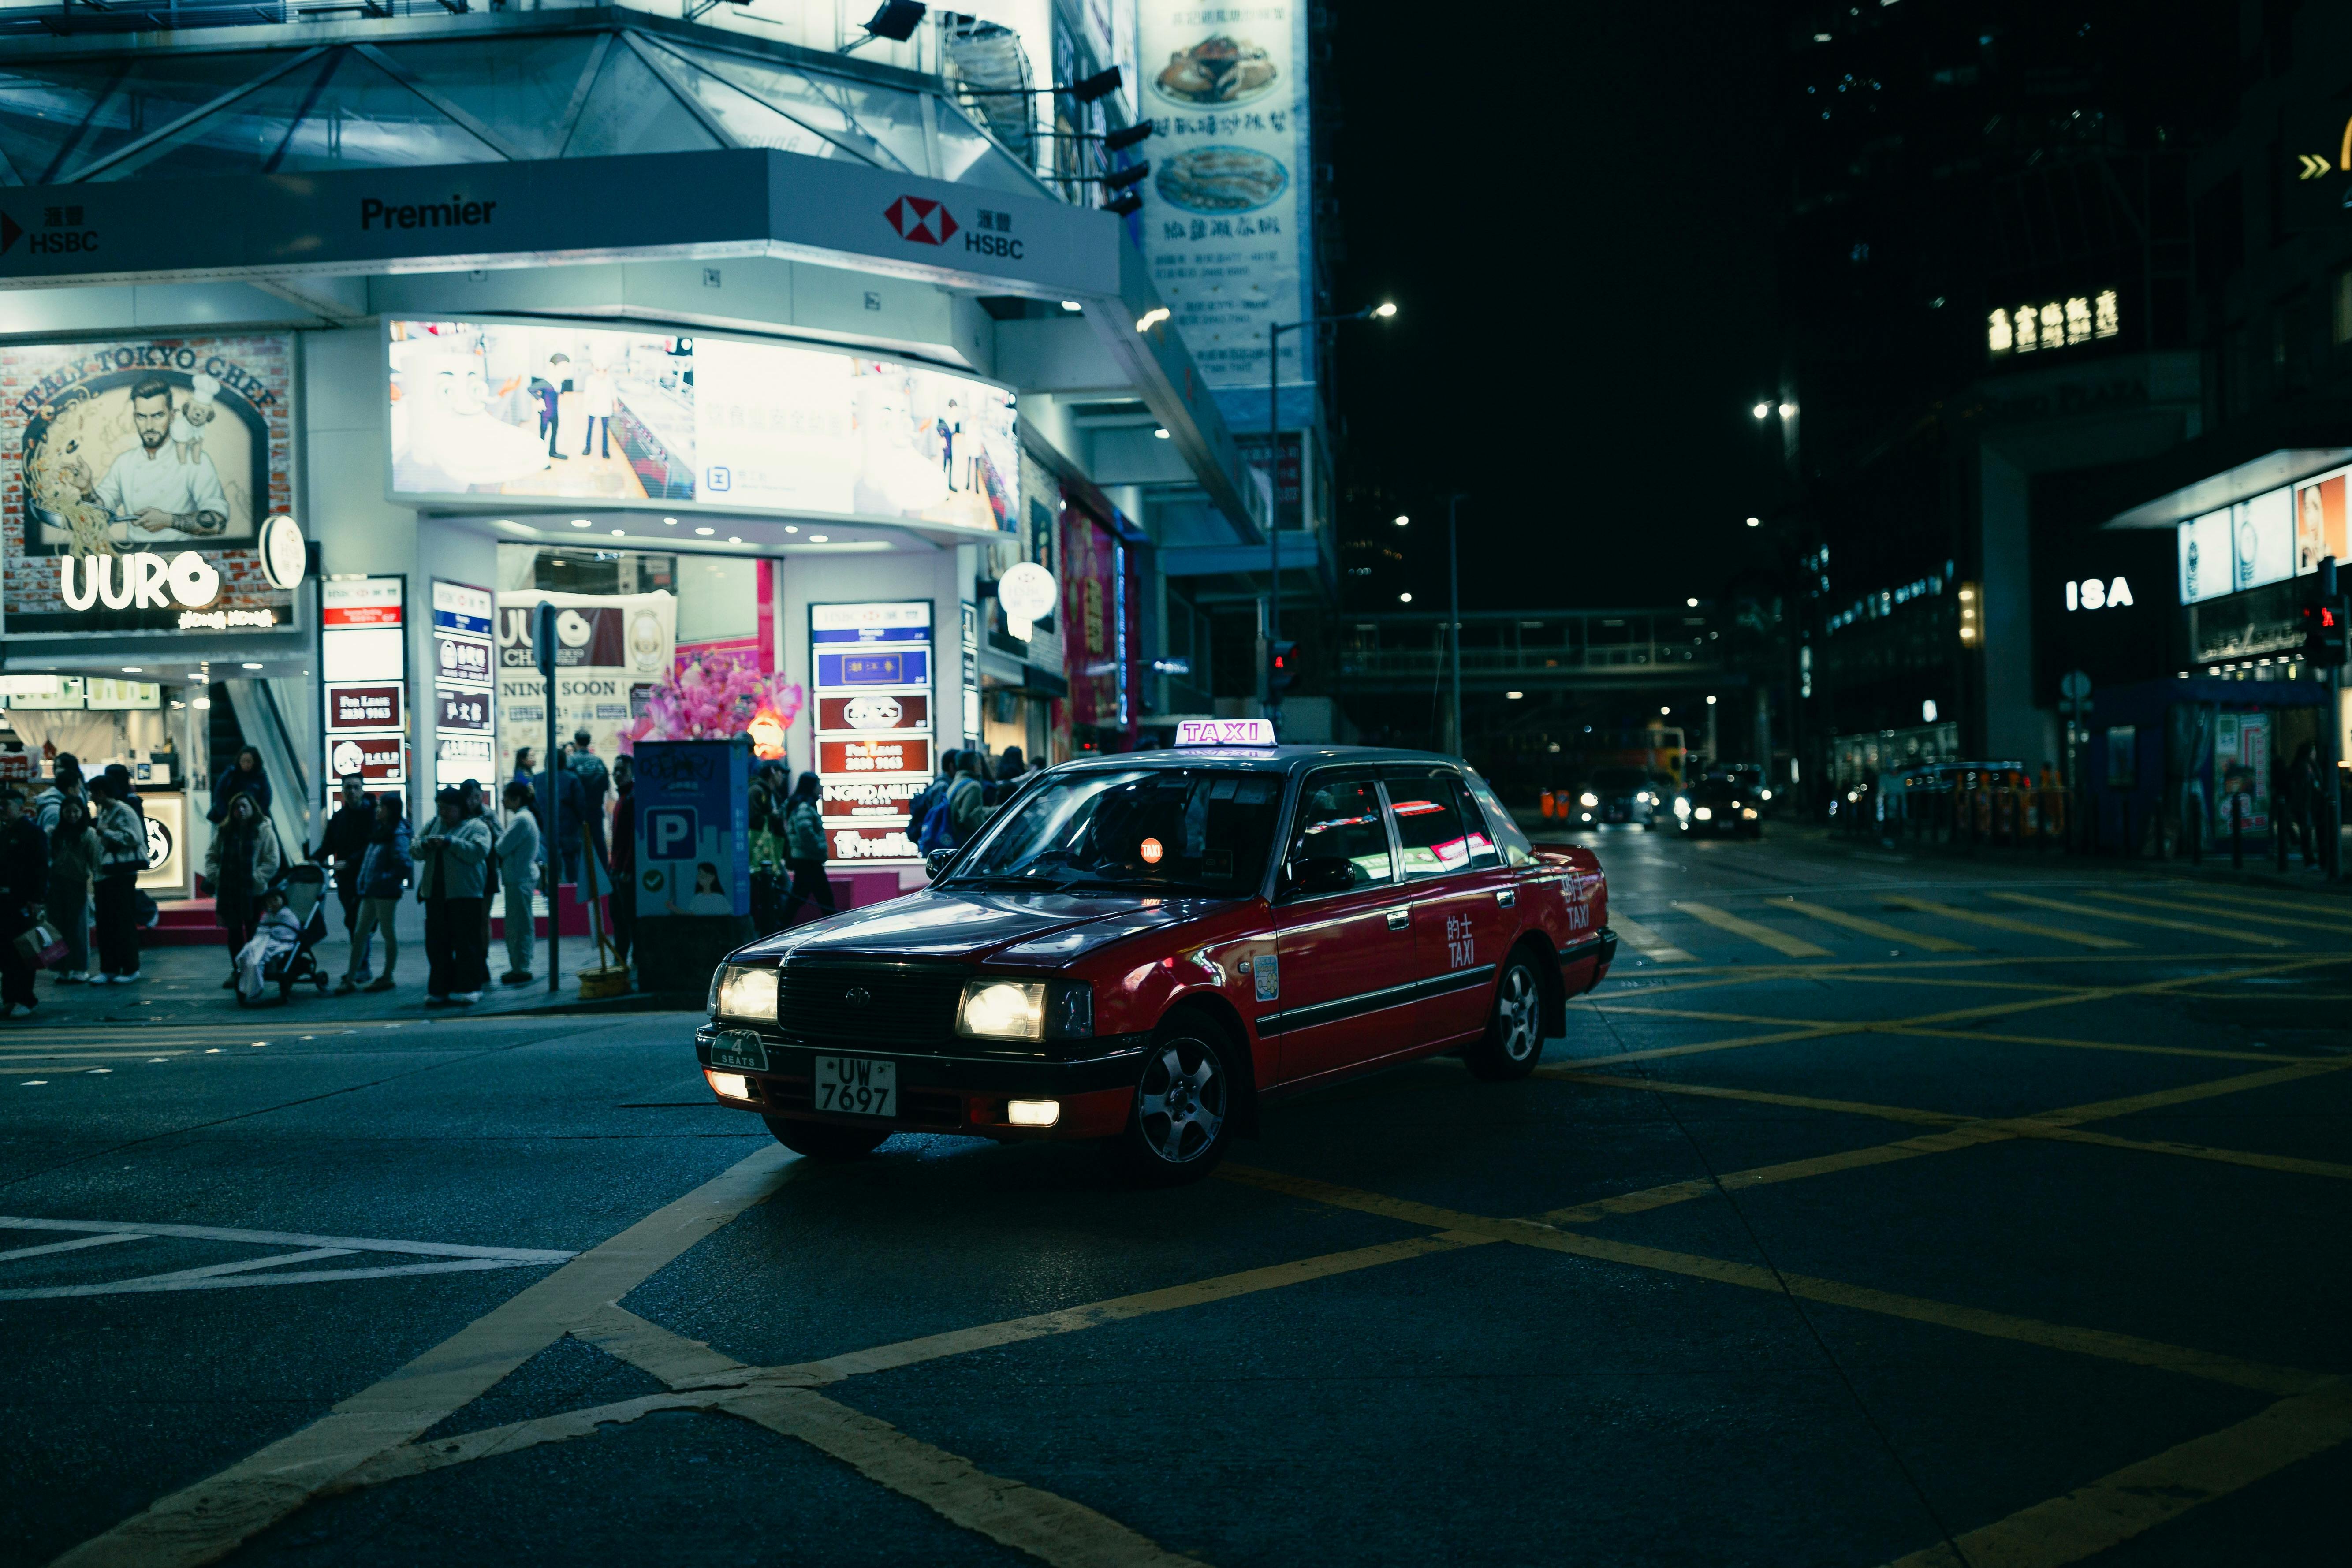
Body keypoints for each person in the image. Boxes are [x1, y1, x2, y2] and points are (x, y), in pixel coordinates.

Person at [62, 374, 229, 542]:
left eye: (158, 416)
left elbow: (218, 523)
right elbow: (100, 517)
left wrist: (168, 521)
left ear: (172, 416)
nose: (149, 426)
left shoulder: (195, 461)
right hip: (133, 560)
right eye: (142, 417)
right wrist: (86, 489)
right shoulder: (125, 463)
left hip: (182, 559)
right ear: (135, 417)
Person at [415, 786, 492, 1006]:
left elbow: (478, 852)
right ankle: (440, 988)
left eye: (448, 809)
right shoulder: (433, 824)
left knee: (466, 942)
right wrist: (425, 845)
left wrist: (450, 843)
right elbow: (415, 847)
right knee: (437, 944)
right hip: (436, 895)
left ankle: (469, 987)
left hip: (465, 895)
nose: (443, 813)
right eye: (440, 808)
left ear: (460, 808)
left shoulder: (477, 827)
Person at [204, 792, 281, 988]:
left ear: (253, 807)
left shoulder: (263, 829)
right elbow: (212, 855)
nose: (241, 810)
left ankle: (253, 969)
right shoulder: (225, 830)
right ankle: (237, 970)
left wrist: (256, 878)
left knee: (254, 930)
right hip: (230, 890)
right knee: (235, 933)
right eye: (237, 807)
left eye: (245, 806)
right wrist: (217, 876)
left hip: (253, 891)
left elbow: (272, 860)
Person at [342, 793, 410, 994]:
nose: (378, 810)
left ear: (391, 810)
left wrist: (383, 881)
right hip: (372, 891)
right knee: (360, 933)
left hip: (384, 893)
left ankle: (387, 976)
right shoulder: (382, 830)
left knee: (387, 933)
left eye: (382, 807)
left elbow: (403, 865)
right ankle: (351, 977)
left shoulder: (397, 833)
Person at [89, 775, 146, 983]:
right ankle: (110, 968)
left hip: (121, 875)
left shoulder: (124, 811)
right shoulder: (104, 811)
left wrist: (107, 833)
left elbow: (135, 838)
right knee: (105, 923)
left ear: (102, 792)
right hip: (105, 874)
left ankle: (130, 968)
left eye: (93, 792)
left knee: (122, 922)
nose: (91, 797)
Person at [319, 777, 376, 983]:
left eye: (355, 787)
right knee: (354, 923)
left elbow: (371, 845)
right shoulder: (340, 817)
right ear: (342, 792)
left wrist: (350, 862)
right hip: (346, 878)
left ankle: (362, 965)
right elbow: (328, 843)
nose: (352, 791)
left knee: (361, 923)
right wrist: (313, 859)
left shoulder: (371, 816)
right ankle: (360, 965)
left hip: (365, 877)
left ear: (362, 790)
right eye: (348, 788)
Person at [0, 788, 47, 1018]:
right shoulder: (4, 833)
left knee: (24, 950)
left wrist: (37, 899)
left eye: (6, 805)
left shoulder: (32, 833)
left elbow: (40, 868)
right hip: (4, 901)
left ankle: (26, 999)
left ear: (20, 807)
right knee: (6, 952)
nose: (2, 810)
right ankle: (9, 997)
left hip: (23, 901)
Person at [45, 795, 99, 984]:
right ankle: (62, 968)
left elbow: (94, 861)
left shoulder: (89, 834)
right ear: (62, 812)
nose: (72, 815)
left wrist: (95, 886)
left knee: (78, 928)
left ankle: (79, 967)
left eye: (76, 811)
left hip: (77, 884)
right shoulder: (54, 833)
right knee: (57, 928)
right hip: (56, 884)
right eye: (68, 811)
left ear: (83, 812)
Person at [496, 780, 541, 985]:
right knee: (522, 923)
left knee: (518, 925)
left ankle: (520, 967)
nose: (502, 800)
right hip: (521, 877)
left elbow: (501, 847)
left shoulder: (521, 820)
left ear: (516, 799)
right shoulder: (526, 818)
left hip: (519, 877)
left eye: (506, 796)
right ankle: (521, 965)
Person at [779, 771, 836, 925]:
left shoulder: (801, 805)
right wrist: (819, 847)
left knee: (799, 897)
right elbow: (805, 830)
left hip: (804, 859)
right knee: (825, 898)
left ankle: (781, 925)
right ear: (811, 786)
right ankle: (834, 928)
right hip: (809, 859)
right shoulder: (804, 806)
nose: (820, 789)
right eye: (819, 785)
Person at [534, 745, 585, 886]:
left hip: (545, 832)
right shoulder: (572, 779)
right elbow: (581, 807)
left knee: (550, 870)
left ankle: (552, 901)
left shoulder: (538, 779)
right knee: (571, 873)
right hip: (569, 832)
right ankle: (568, 903)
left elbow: (535, 806)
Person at [609, 755, 636, 969]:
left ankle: (629, 960)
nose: (617, 774)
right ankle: (621, 959)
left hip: (625, 871)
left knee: (627, 919)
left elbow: (632, 839)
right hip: (617, 868)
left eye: (622, 770)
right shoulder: (622, 798)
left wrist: (626, 868)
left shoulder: (631, 799)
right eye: (615, 770)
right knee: (619, 918)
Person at [568, 729, 610, 863]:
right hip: (597, 809)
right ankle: (604, 874)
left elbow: (569, 787)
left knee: (579, 846)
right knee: (599, 842)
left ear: (576, 743)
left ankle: (582, 878)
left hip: (578, 813)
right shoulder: (598, 761)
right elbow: (606, 785)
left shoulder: (571, 761)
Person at [208, 746, 270, 826]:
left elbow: (266, 798)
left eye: (249, 762)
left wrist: (254, 816)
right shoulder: (231, 773)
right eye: (243, 761)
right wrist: (227, 815)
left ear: (255, 762)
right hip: (227, 817)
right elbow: (219, 793)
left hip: (251, 820)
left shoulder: (261, 777)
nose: (245, 764)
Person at [32, 752, 85, 835]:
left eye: (62, 767)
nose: (58, 771)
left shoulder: (78, 790)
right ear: (70, 790)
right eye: (56, 767)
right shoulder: (55, 809)